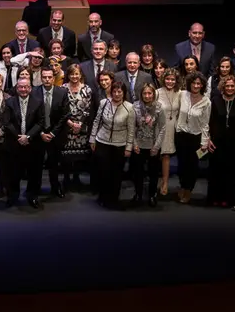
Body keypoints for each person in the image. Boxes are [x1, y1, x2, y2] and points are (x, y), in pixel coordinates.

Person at [2, 76, 46, 207]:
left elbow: (41, 122)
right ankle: (13, 196)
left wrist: (28, 137)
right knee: (13, 173)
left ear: (30, 88)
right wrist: (19, 137)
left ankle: (32, 196)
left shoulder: (38, 102)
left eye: (26, 87)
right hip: (14, 143)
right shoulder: (9, 102)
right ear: (17, 88)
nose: (23, 89)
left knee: (34, 173)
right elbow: (7, 122)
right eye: (20, 87)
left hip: (33, 143)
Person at [90, 81, 135, 209]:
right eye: (114, 91)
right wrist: (92, 139)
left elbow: (131, 129)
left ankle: (113, 199)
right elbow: (97, 121)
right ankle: (102, 197)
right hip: (102, 141)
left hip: (119, 144)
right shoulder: (104, 103)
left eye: (119, 91)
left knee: (116, 173)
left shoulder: (129, 107)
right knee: (103, 171)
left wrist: (129, 147)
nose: (116, 94)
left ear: (124, 93)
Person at [207, 75, 235, 208]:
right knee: (215, 171)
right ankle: (214, 198)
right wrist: (208, 139)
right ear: (223, 87)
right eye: (227, 86)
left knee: (230, 172)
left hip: (233, 142)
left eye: (232, 86)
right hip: (216, 141)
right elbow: (210, 121)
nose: (230, 88)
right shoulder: (215, 100)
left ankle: (228, 198)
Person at [174, 71, 211, 204]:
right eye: (194, 83)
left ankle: (188, 190)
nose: (196, 86)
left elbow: (205, 123)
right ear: (189, 83)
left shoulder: (206, 101)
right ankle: (182, 186)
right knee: (181, 165)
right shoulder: (182, 94)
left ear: (202, 85)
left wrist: (204, 142)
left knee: (192, 166)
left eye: (198, 84)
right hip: (181, 135)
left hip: (195, 137)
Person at [34, 67, 70, 199]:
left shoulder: (62, 92)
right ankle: (35, 189)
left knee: (54, 164)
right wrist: (41, 133)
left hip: (55, 134)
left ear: (54, 78)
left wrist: (53, 133)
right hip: (38, 134)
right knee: (36, 164)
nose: (47, 79)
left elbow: (65, 115)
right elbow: (31, 115)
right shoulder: (34, 92)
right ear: (41, 78)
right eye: (44, 77)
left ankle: (55, 187)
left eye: (49, 77)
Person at [131, 83, 166, 206]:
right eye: (144, 93)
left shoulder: (159, 107)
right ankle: (138, 194)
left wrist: (156, 146)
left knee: (153, 173)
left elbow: (162, 128)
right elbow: (131, 127)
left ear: (153, 94)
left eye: (149, 93)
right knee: (138, 173)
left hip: (153, 146)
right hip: (138, 146)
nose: (147, 96)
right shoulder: (135, 106)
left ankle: (152, 195)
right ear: (141, 94)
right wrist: (134, 144)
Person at [60, 64, 93, 191]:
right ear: (68, 75)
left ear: (80, 75)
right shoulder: (62, 89)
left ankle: (76, 178)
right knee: (66, 157)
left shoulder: (87, 89)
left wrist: (79, 123)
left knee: (79, 156)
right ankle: (66, 179)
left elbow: (88, 109)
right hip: (66, 126)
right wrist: (70, 123)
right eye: (72, 74)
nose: (74, 76)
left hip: (81, 127)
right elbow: (61, 109)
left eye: (76, 74)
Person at [156, 68, 182, 196]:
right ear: (163, 79)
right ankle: (155, 182)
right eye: (167, 79)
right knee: (156, 156)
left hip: (173, 128)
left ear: (176, 80)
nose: (170, 81)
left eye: (173, 79)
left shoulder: (180, 93)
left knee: (166, 156)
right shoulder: (157, 92)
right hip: (158, 127)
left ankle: (165, 183)